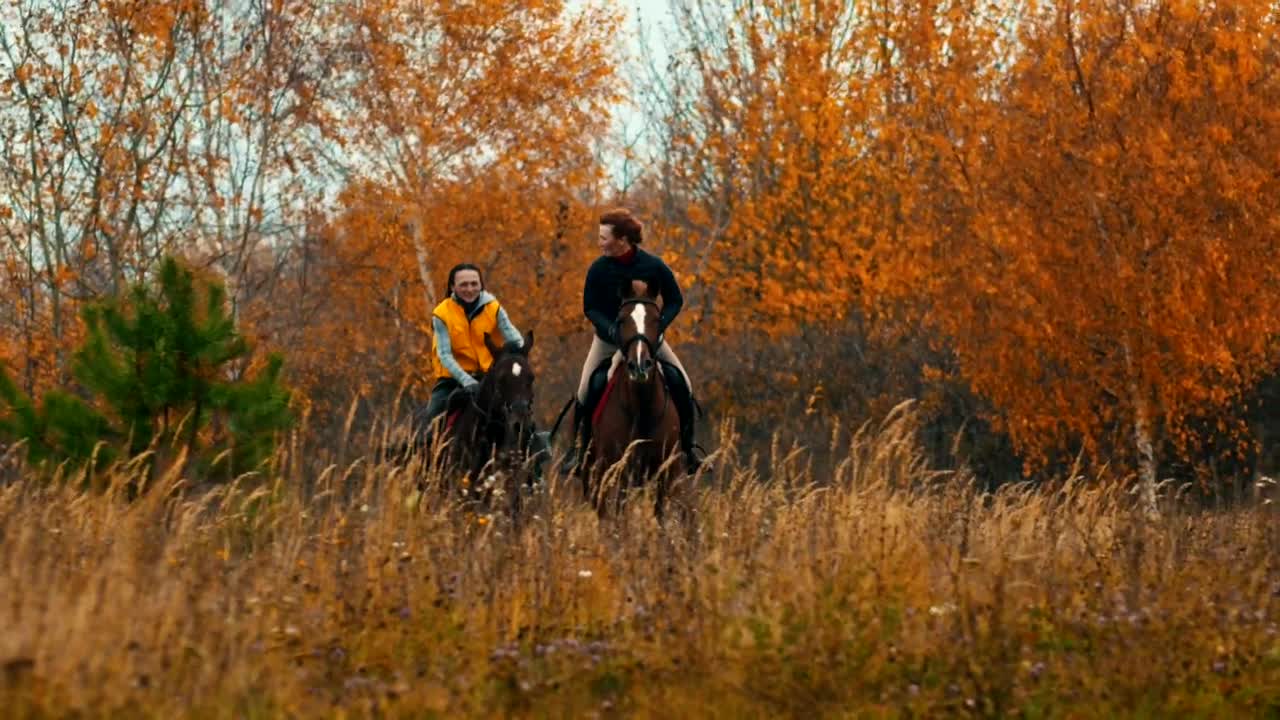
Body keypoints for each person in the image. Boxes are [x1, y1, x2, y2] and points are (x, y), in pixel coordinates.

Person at [566, 208, 702, 473]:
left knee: (683, 383)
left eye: (604, 237)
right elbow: (590, 307)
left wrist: (658, 327)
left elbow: (675, 300)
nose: (599, 242)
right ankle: (579, 452)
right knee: (586, 389)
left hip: (647, 340)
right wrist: (611, 331)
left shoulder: (654, 266)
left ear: (622, 240)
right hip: (608, 342)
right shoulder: (598, 269)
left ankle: (688, 450)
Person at [419, 263, 524, 430]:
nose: (470, 289)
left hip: (489, 376)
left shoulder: (494, 308)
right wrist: (466, 380)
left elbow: (514, 337)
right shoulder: (441, 314)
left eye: (474, 284)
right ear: (452, 287)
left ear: (481, 285)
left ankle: (534, 441)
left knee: (520, 407)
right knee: (431, 420)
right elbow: (444, 354)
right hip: (452, 380)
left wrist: (519, 356)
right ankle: (426, 443)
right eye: (463, 285)